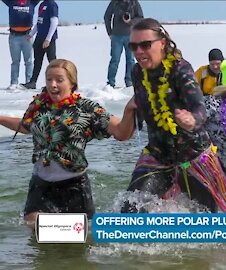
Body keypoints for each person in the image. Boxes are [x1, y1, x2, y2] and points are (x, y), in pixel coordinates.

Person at [121, 18, 226, 214]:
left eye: (145, 45)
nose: (139, 51)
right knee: (130, 209)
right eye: (133, 46)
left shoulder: (180, 69)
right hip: (158, 156)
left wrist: (192, 120)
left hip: (194, 156)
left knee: (208, 216)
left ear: (162, 43)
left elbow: (199, 107)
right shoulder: (137, 72)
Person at [0, 59, 137, 223]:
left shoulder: (86, 109)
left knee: (76, 238)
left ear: (72, 82)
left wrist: (130, 110)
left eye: (59, 80)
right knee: (34, 224)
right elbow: (26, 126)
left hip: (74, 186)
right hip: (40, 184)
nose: (53, 85)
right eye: (49, 79)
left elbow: (121, 133)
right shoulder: (39, 105)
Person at [104, 0, 143, 88]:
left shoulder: (134, 3)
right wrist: (110, 32)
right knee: (115, 60)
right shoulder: (115, 2)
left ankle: (129, 81)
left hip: (131, 36)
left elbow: (141, 17)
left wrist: (131, 21)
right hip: (116, 36)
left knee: (130, 60)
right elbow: (107, 16)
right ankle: (110, 83)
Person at [1, 0, 40, 90]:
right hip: (14, 36)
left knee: (29, 61)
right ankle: (14, 82)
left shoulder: (31, 2)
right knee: (15, 61)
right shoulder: (11, 2)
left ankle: (28, 82)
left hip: (27, 36)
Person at [21, 0, 58, 90]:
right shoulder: (42, 5)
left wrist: (48, 39)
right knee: (37, 61)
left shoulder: (52, 4)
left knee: (52, 62)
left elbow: (54, 22)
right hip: (39, 38)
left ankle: (56, 83)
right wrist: (31, 34)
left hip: (48, 39)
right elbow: (39, 22)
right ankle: (33, 82)